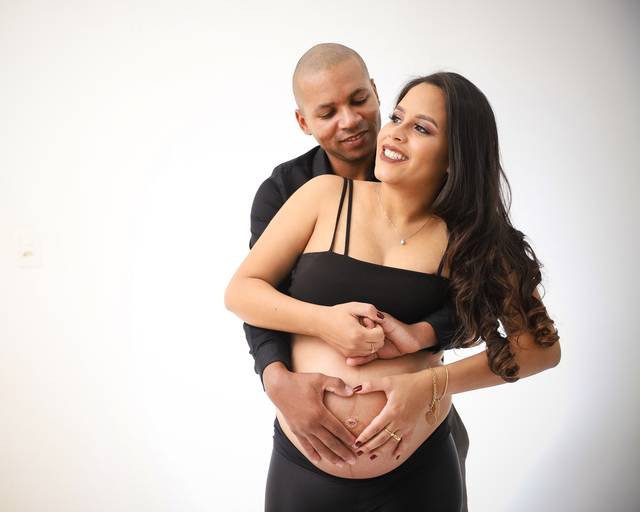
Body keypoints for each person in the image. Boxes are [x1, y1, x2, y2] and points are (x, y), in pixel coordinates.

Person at [225, 69, 561, 511]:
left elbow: (539, 349)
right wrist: (318, 331)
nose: (395, 133)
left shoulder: (474, 239)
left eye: (421, 128)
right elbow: (242, 291)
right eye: (398, 118)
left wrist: (431, 384)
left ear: (455, 156)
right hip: (304, 465)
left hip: (419, 471)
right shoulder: (321, 195)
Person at [242, 44, 471, 509]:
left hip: (418, 441)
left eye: (359, 99)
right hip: (308, 449)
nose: (349, 121)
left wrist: (424, 336)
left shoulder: (436, 183)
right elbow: (258, 296)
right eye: (327, 112)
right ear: (304, 122)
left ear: (376, 91)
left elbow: (474, 303)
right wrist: (276, 377)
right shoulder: (288, 191)